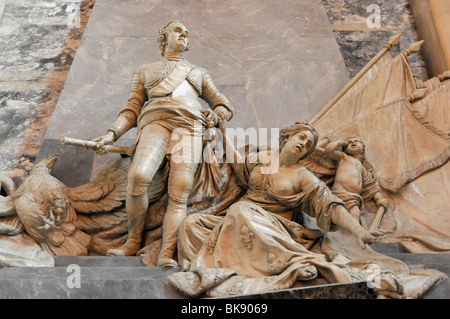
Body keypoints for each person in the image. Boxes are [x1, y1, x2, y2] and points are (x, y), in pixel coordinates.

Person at [169, 122, 392, 297]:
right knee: (190, 225)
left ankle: (290, 264)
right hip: (237, 220)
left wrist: (360, 231)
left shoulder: (304, 177)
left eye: (308, 144)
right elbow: (238, 163)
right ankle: (215, 270)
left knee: (241, 209)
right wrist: (221, 130)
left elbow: (331, 206)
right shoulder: (263, 158)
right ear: (287, 137)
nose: (303, 143)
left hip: (274, 228)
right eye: (301, 137)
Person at [92, 21, 233, 268]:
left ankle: (167, 252)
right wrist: (111, 134)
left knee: (180, 188)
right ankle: (133, 241)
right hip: (154, 122)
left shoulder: (197, 72)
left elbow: (223, 104)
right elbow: (132, 107)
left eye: (187, 33)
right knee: (138, 176)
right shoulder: (145, 70)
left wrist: (217, 114)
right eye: (178, 30)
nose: (184, 34)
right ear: (163, 36)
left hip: (190, 127)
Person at [324, 135, 389, 222]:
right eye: (349, 142)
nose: (353, 142)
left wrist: (379, 198)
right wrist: (341, 142)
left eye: (356, 141)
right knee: (339, 212)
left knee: (355, 213)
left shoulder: (363, 169)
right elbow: (329, 150)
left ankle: (355, 233)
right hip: (340, 192)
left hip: (353, 197)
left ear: (362, 149)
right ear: (345, 149)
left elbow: (371, 186)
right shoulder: (343, 158)